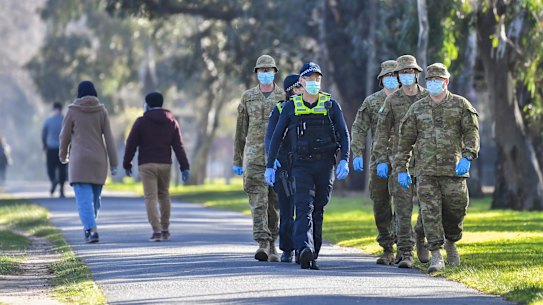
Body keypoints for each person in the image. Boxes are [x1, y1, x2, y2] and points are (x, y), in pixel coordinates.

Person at [395, 63, 480, 273]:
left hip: (454, 170)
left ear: (446, 82)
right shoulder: (417, 109)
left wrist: (468, 156)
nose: (434, 83)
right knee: (430, 210)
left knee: (456, 209)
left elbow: (472, 133)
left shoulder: (461, 105)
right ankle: (436, 254)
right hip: (425, 171)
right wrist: (401, 168)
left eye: (438, 80)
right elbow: (405, 141)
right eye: (431, 80)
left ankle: (451, 241)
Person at [265, 62, 350, 270]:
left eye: (317, 79)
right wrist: (270, 164)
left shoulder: (331, 104)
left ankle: (314, 252)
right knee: (303, 207)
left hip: (325, 165)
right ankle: (304, 249)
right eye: (309, 79)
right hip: (300, 165)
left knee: (318, 208)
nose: (314, 83)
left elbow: (344, 134)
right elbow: (275, 137)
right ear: (301, 81)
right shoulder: (291, 106)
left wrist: (345, 159)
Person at [372, 55, 428, 268]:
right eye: (402, 73)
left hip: (425, 162)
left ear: (417, 74)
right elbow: (381, 133)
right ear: (398, 76)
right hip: (400, 162)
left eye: (410, 72)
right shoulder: (392, 100)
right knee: (403, 210)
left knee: (427, 207)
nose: (406, 76)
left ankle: (421, 236)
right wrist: (381, 159)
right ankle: (405, 253)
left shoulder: (427, 98)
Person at [233, 55, 285, 262]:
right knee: (258, 202)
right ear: (256, 73)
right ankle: (262, 242)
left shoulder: (284, 96)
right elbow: (240, 131)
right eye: (262, 71)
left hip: (277, 157)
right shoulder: (248, 97)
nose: (265, 74)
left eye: (269, 70)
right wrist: (237, 160)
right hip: (254, 157)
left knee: (275, 203)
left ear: (274, 72)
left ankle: (273, 243)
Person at [123, 92, 190, 242]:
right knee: (164, 194)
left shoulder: (141, 121)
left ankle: (156, 230)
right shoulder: (171, 121)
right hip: (165, 164)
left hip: (146, 164)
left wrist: (127, 163)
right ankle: (165, 228)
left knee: (150, 196)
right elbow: (178, 145)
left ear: (147, 105)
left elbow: (131, 143)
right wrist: (184, 166)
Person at [351, 60, 399, 265]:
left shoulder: (412, 98)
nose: (391, 79)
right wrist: (357, 153)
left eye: (394, 75)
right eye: (387, 76)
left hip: (404, 159)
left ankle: (406, 245)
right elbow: (359, 128)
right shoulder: (371, 102)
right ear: (381, 80)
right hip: (378, 159)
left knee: (403, 204)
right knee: (380, 204)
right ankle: (387, 248)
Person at [59, 81, 118, 243]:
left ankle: (91, 230)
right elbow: (109, 139)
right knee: (94, 200)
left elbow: (64, 137)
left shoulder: (72, 111)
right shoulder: (102, 111)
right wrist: (113, 163)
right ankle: (91, 228)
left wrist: (63, 156)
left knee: (84, 200)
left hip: (79, 161)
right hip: (98, 160)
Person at [264, 74, 304, 263]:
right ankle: (287, 249)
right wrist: (272, 162)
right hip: (283, 166)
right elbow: (270, 137)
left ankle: (303, 247)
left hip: (303, 164)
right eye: (297, 88)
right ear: (289, 91)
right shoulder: (280, 109)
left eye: (301, 87)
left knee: (304, 208)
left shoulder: (307, 108)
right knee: (287, 210)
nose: (300, 91)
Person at [42, 102, 68, 197]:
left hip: (51, 147)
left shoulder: (48, 120)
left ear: (53, 109)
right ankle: (61, 189)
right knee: (62, 169)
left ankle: (53, 180)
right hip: (63, 148)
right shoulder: (65, 120)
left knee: (50, 168)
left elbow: (44, 134)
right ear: (61, 109)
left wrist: (44, 145)